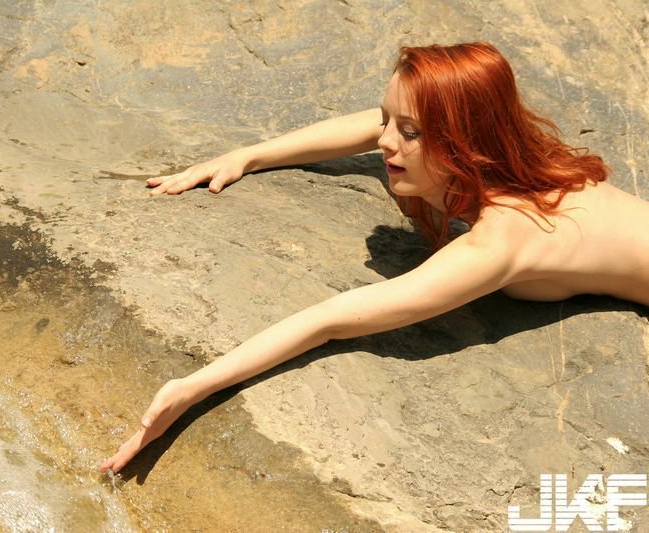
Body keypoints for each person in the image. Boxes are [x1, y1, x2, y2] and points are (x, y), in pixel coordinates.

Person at [100, 42, 649, 474]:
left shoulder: (505, 239)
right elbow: (370, 125)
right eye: (389, 120)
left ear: (464, 140)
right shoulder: (504, 146)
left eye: (407, 132)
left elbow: (333, 319)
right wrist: (246, 156)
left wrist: (192, 387)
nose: (384, 141)